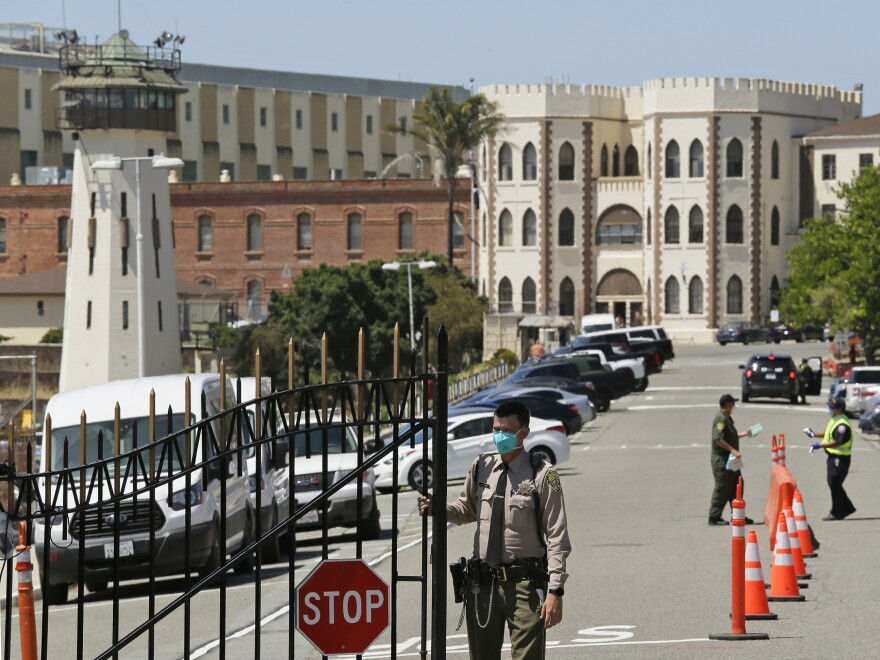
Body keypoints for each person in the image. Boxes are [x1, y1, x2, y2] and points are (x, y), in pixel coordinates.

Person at [417, 400, 571, 660]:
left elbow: (558, 537)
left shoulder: (542, 474)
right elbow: (466, 510)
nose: (500, 436)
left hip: (524, 584)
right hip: (482, 584)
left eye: (508, 431)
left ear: (524, 432)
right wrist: (437, 509)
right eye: (496, 429)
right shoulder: (482, 466)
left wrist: (556, 590)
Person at [806, 397, 856, 521]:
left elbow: (837, 441)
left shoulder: (843, 425)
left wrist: (820, 445)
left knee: (834, 482)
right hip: (833, 457)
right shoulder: (835, 420)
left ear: (839, 409)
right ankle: (846, 507)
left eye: (832, 407)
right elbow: (829, 433)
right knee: (833, 483)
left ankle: (838, 511)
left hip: (840, 458)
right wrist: (814, 434)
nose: (830, 409)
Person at [708, 393, 754, 525]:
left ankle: (738, 515)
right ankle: (714, 517)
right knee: (722, 487)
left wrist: (745, 433)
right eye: (732, 403)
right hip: (722, 460)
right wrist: (732, 449)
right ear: (727, 404)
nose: (734, 406)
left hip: (731, 460)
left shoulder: (727, 418)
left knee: (737, 485)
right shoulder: (721, 419)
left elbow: (730, 436)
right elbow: (718, 439)